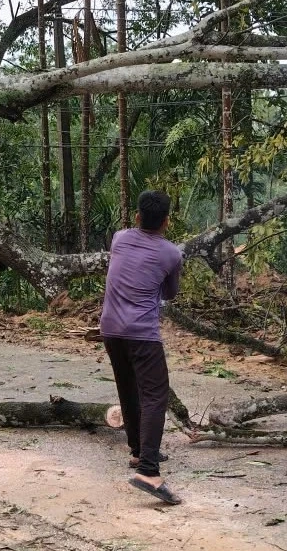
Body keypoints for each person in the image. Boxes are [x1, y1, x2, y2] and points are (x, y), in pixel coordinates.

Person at [100, 190, 184, 505]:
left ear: (137, 217)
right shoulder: (172, 254)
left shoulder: (119, 238)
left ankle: (138, 452)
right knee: (154, 396)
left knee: (128, 388)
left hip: (110, 329)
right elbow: (171, 293)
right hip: (142, 333)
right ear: (166, 221)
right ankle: (148, 471)